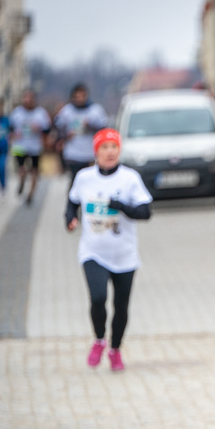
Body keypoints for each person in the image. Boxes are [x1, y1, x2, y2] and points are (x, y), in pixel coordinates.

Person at [65, 129, 153, 372]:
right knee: (98, 298)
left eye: (114, 147)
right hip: (93, 251)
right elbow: (72, 203)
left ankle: (115, 349)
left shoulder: (130, 178)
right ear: (96, 152)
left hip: (124, 254)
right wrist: (70, 219)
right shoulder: (84, 178)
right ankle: (99, 340)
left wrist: (123, 207)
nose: (110, 152)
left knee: (121, 306)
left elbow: (146, 212)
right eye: (104, 148)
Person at [55, 83, 108, 188]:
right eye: (77, 96)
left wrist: (91, 126)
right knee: (76, 180)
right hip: (73, 153)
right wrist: (65, 136)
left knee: (90, 182)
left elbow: (103, 130)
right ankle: (74, 200)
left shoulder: (95, 110)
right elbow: (58, 128)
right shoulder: (66, 111)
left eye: (82, 96)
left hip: (90, 154)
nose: (80, 99)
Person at [9, 89, 52, 205]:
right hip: (19, 145)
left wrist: (39, 129)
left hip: (35, 146)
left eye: (30, 98)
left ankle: (31, 194)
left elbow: (48, 129)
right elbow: (10, 127)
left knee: (34, 171)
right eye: (25, 98)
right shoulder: (17, 112)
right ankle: (22, 181)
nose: (27, 101)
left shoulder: (41, 113)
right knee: (21, 168)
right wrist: (13, 134)